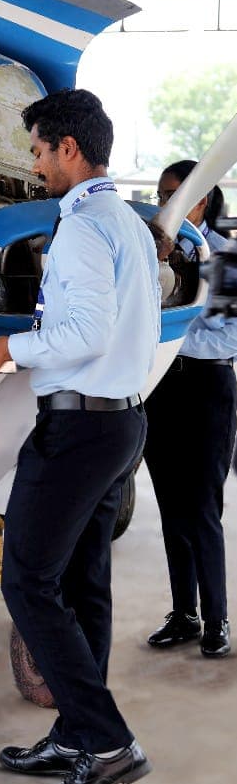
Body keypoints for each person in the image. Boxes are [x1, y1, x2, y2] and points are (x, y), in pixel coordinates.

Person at [0, 89, 157, 784]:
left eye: (38, 150)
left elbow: (81, 335)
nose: (35, 165)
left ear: (68, 148)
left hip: (78, 428)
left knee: (27, 581)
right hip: (118, 421)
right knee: (79, 584)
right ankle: (76, 732)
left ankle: (106, 742)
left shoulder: (79, 229)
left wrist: (3, 346)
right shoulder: (128, 223)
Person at [143, 160, 234, 658]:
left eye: (174, 194)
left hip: (207, 387)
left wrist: (175, 331)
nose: (164, 205)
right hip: (161, 388)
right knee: (172, 508)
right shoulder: (148, 254)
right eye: (160, 195)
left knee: (202, 510)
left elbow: (233, 334)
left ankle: (217, 619)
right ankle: (185, 614)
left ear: (201, 199)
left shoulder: (226, 258)